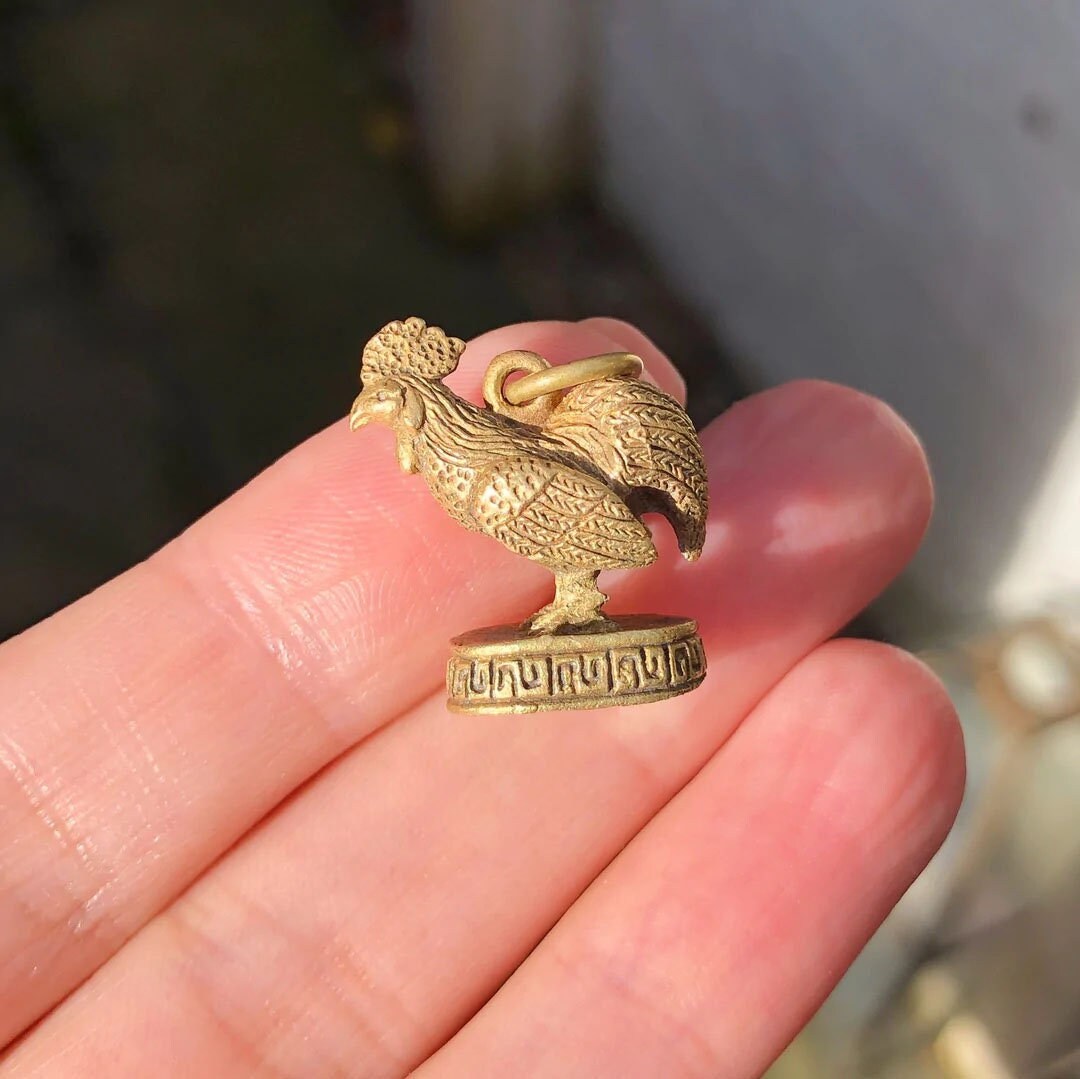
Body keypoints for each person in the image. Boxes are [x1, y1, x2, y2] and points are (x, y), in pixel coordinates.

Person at [0, 319, 964, 1077]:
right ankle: (574, 601)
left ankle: (577, 600)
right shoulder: (467, 461)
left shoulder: (490, 469)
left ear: (418, 405)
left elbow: (586, 523)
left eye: (386, 402)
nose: (373, 414)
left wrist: (592, 572)